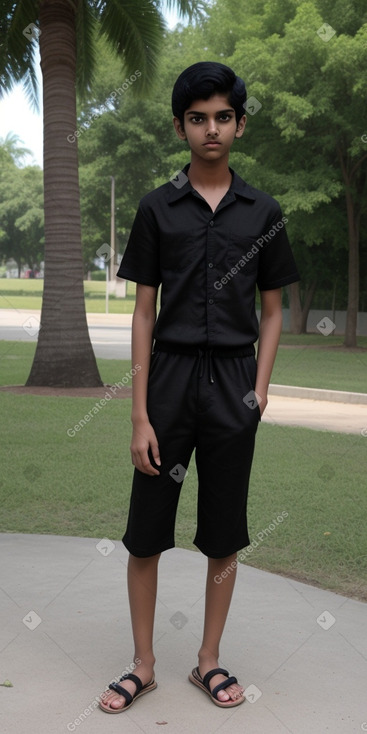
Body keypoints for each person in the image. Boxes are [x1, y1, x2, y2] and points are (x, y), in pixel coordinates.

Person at [99, 61, 300, 714]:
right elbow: (142, 312)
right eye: (196, 117)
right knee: (144, 533)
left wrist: (259, 392)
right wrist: (138, 415)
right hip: (169, 380)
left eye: (221, 116)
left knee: (223, 534)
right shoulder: (157, 208)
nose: (209, 129)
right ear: (181, 125)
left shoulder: (262, 212)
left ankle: (207, 660)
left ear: (238, 124)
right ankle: (143, 664)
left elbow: (274, 311)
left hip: (233, 383)